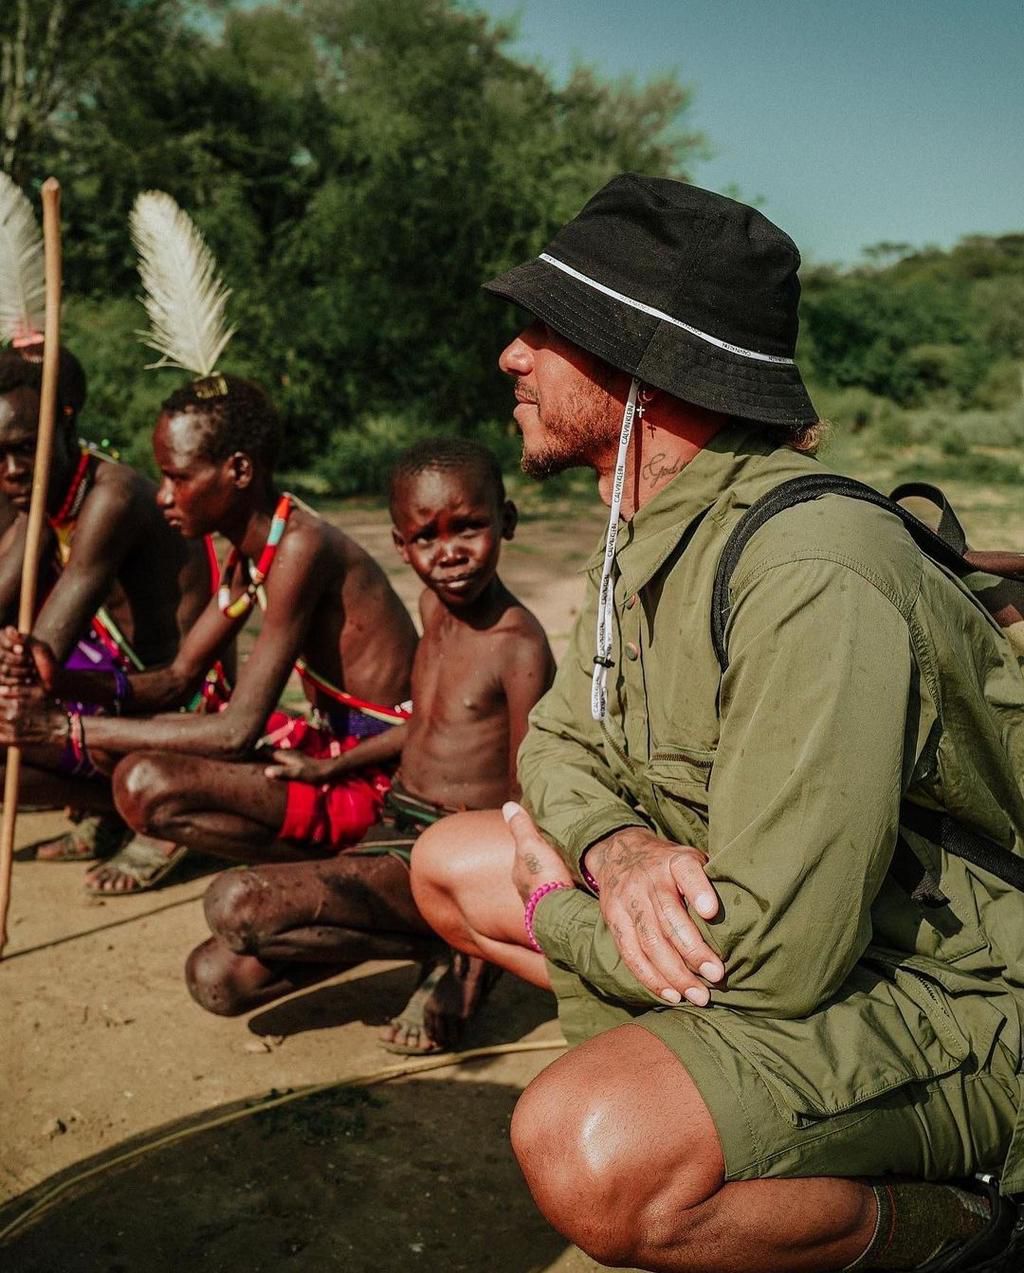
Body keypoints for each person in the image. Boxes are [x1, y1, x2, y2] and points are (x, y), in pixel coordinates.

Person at [410, 174, 1024, 1271]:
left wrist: (561, 902)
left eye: (550, 328)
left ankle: (962, 1227)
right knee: (447, 863)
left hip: (959, 992)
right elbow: (559, 740)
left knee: (591, 1150)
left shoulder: (807, 568)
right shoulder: (645, 526)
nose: (513, 354)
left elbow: (776, 958)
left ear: (646, 366)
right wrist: (619, 844)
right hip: (792, 933)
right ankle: (720, 1097)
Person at [184, 437, 556, 1054]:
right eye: (427, 538)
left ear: (506, 522)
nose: (450, 554)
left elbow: (527, 791)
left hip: (452, 848)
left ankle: (468, 951)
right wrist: (329, 766)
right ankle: (436, 940)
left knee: (235, 902)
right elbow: (425, 725)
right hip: (394, 824)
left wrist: (504, 899)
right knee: (217, 980)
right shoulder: (432, 606)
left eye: (469, 528)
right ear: (400, 546)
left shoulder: (518, 646)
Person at [0, 373, 418, 893]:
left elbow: (237, 731)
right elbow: (177, 679)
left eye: (178, 478)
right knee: (127, 748)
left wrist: (62, 730)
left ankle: (359, 859)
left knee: (144, 783)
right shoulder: (251, 553)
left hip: (386, 769)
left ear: (238, 470)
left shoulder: (299, 549)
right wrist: (59, 685)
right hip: (336, 753)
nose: (163, 496)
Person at [0, 344, 216, 864]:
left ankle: (162, 813)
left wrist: (14, 663)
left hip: (176, 699)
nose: (10, 470)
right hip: (112, 689)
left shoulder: (109, 498)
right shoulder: (50, 491)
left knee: (15, 704)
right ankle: (115, 808)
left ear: (65, 427)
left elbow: (42, 656)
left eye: (26, 448)